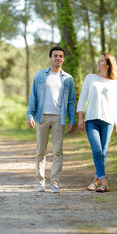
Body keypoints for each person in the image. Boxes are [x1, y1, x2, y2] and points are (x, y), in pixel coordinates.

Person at [26, 46, 76, 193]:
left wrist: (71, 119)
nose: (58, 58)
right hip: (42, 116)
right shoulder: (40, 75)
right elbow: (33, 96)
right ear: (50, 58)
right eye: (55, 56)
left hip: (58, 118)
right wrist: (30, 115)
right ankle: (40, 183)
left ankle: (54, 182)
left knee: (58, 152)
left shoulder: (68, 79)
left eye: (61, 56)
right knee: (40, 151)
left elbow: (71, 101)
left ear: (63, 59)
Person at [77, 52, 117, 193]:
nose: (98, 61)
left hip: (108, 121)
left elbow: (115, 105)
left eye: (101, 60)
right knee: (97, 151)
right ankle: (105, 182)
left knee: (103, 153)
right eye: (98, 59)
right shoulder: (90, 78)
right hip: (91, 120)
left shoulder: (114, 83)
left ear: (108, 64)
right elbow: (82, 98)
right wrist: (80, 117)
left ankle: (96, 182)